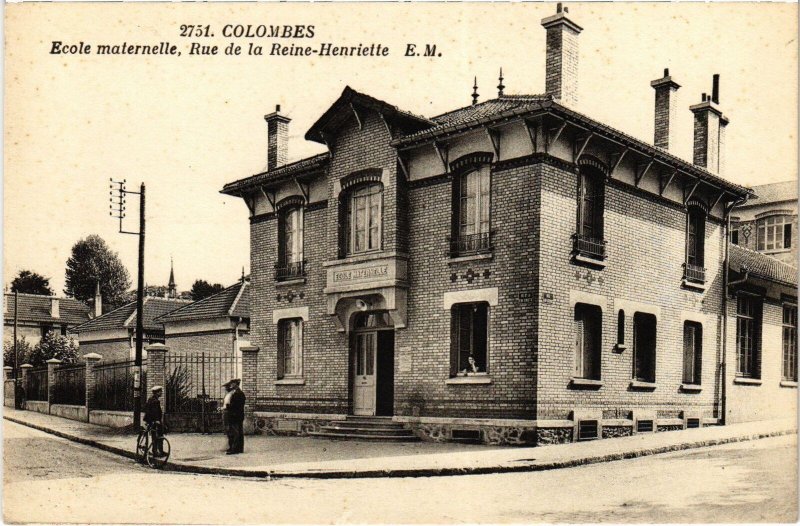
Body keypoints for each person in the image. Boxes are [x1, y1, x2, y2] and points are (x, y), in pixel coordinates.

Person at [222, 378, 245, 454]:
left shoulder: (238, 393)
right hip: (234, 415)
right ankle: (235, 448)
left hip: (235, 415)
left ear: (236, 384)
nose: (231, 385)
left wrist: (227, 406)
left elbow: (237, 405)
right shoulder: (234, 392)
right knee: (234, 432)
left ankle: (235, 449)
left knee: (235, 432)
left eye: (233, 383)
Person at [144, 385, 166, 457]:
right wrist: (156, 420)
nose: (161, 393)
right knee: (156, 436)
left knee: (159, 435)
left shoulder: (151, 399)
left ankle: (160, 451)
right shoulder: (154, 401)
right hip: (154, 421)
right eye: (160, 392)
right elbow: (153, 412)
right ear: (156, 393)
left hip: (153, 420)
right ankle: (156, 452)